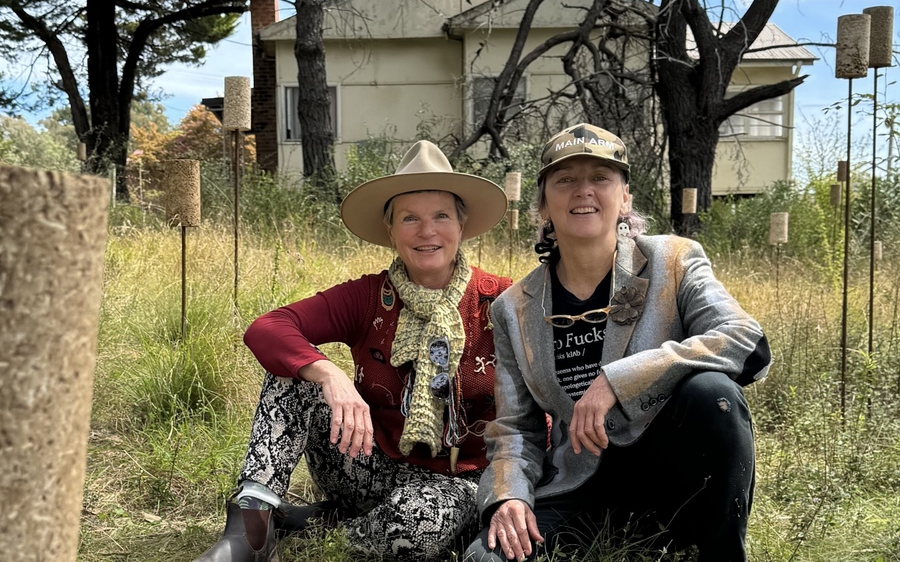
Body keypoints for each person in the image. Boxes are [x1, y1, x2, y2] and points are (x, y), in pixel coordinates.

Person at [465, 123, 772, 562]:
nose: (583, 191)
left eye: (600, 178)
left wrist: (617, 381)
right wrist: (508, 496)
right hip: (580, 486)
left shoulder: (674, 260)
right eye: (565, 180)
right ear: (543, 205)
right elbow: (516, 428)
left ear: (624, 196)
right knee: (486, 558)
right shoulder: (513, 308)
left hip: (675, 479)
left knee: (713, 394)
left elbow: (747, 343)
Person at [194, 140, 512, 562]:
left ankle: (320, 528)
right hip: (368, 465)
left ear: (461, 223)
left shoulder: (501, 299)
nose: (427, 231)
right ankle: (251, 528)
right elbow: (268, 328)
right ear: (390, 230)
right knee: (295, 375)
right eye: (410, 218)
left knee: (416, 529)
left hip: (458, 481)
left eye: (441, 216)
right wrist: (329, 373)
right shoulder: (368, 296)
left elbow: (535, 409)